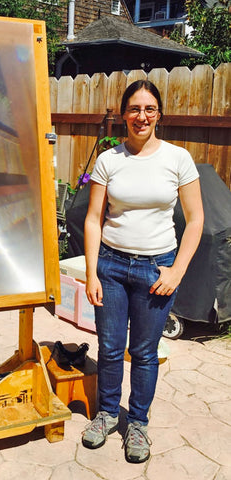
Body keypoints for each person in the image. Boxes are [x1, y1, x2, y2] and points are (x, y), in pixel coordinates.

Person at [82, 80, 204, 463]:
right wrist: (91, 273)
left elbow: (197, 219)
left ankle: (137, 423)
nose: (142, 117)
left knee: (145, 353)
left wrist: (177, 272)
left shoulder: (177, 158)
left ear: (159, 115)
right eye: (134, 109)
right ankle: (106, 414)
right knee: (111, 347)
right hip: (112, 267)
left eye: (149, 109)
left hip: (156, 270)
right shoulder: (109, 160)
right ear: (123, 115)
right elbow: (92, 220)